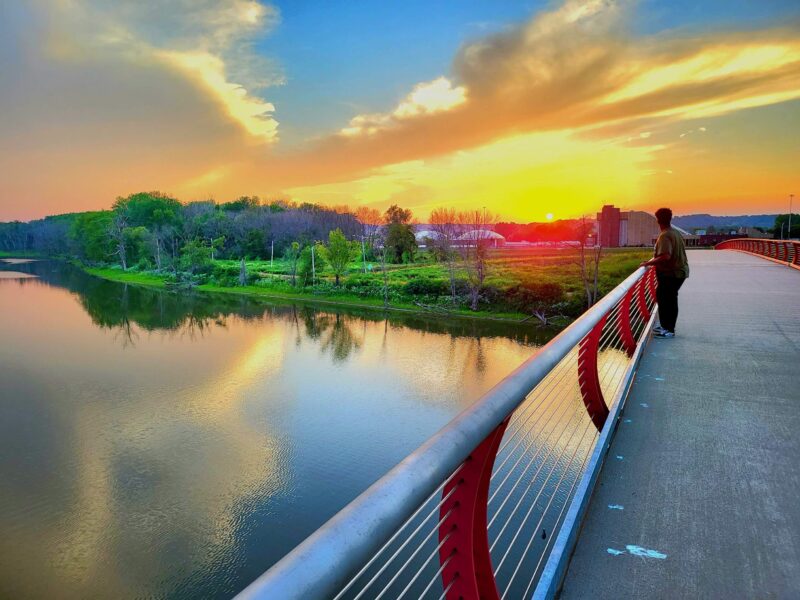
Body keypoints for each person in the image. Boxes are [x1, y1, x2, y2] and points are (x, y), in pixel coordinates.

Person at [640, 207, 689, 338]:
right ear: (670, 218)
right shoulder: (676, 232)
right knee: (668, 299)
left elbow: (666, 256)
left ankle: (668, 329)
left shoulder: (665, 235)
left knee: (667, 299)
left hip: (671, 274)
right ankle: (666, 327)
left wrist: (648, 263)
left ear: (658, 220)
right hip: (680, 272)